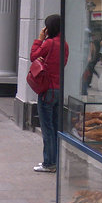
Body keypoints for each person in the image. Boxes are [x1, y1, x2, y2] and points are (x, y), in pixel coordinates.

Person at [30, 14, 69, 173]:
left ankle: (49, 163)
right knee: (55, 127)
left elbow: (33, 56)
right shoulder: (64, 44)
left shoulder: (49, 43)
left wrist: (39, 39)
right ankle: (54, 162)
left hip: (47, 90)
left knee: (47, 128)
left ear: (49, 28)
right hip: (59, 90)